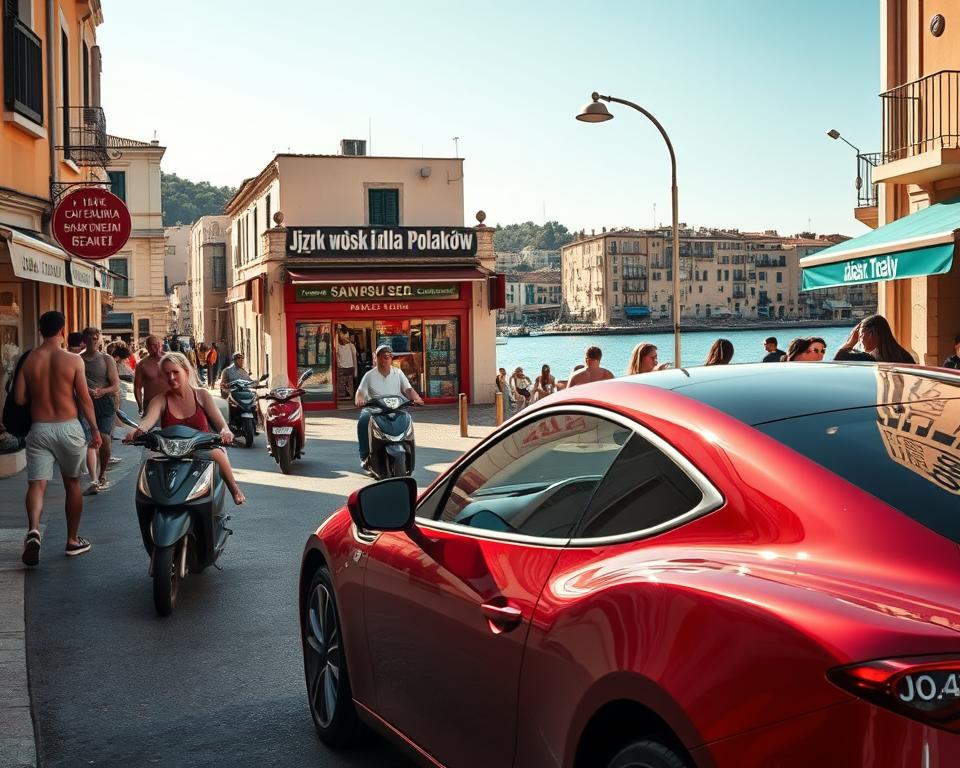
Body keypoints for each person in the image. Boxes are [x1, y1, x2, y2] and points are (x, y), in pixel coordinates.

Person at [14, 312, 101, 564]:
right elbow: (85, 399)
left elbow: (19, 399)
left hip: (39, 428)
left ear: (40, 330)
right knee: (72, 483)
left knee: (36, 484)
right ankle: (72, 540)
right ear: (62, 330)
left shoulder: (29, 359)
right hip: (68, 428)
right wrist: (94, 430)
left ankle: (33, 530)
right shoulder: (73, 360)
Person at [127, 352, 245, 505]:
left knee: (219, 454)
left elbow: (220, 422)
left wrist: (225, 431)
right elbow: (148, 419)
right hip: (170, 451)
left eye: (175, 372)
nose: (171, 377)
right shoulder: (160, 399)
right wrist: (138, 431)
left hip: (201, 447)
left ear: (186, 372)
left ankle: (234, 488)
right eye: (167, 374)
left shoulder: (202, 395)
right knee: (147, 469)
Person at [354, 344, 423, 469]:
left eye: (388, 356)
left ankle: (408, 451)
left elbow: (408, 389)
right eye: (382, 356)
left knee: (407, 419)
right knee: (363, 420)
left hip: (396, 408)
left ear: (391, 358)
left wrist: (416, 398)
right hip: (376, 409)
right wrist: (359, 399)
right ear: (376, 358)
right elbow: (360, 392)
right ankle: (364, 456)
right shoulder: (369, 375)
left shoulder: (398, 373)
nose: (385, 359)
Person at [81, 327, 120, 492]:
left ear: (100, 339)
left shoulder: (107, 359)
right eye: (90, 337)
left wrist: (101, 391)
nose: (93, 340)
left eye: (96, 337)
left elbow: (116, 385)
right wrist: (86, 391)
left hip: (105, 403)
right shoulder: (77, 359)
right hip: (84, 404)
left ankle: (102, 473)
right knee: (91, 441)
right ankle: (93, 479)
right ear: (84, 340)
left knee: (104, 439)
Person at [834, 314, 914, 363]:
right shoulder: (905, 356)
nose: (859, 340)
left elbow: (837, 360)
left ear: (870, 334)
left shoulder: (869, 359)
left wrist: (850, 343)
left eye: (860, 335)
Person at [134, 335, 169, 416]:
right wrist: (140, 406)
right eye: (153, 345)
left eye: (158, 343)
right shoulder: (142, 364)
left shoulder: (171, 359)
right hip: (151, 406)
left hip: (171, 404)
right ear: (147, 347)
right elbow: (137, 388)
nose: (157, 346)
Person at [336, 326, 358, 398]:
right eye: (344, 334)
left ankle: (348, 394)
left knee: (347, 382)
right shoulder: (339, 345)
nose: (346, 336)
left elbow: (354, 357)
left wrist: (355, 370)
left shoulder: (350, 345)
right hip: (345, 367)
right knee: (345, 382)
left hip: (347, 367)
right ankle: (347, 394)